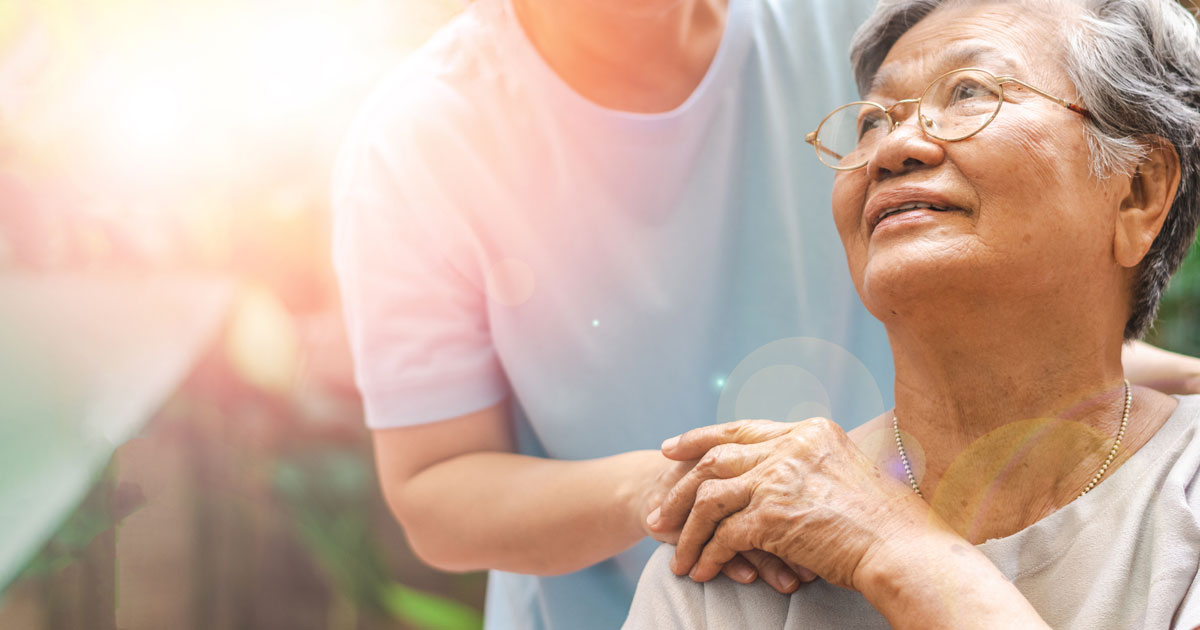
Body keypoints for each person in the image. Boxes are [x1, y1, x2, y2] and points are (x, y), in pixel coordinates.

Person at [624, 0, 1200, 628]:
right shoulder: (751, 535)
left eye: (969, 92)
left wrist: (890, 543)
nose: (891, 149)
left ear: (1139, 192)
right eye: (871, 121)